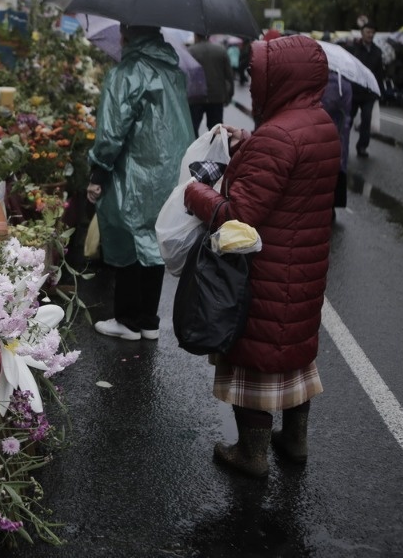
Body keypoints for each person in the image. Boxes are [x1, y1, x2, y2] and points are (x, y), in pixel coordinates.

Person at [183, 35, 341, 479]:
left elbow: (239, 215)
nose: (253, 84)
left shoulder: (278, 136)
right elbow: (288, 164)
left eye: (259, 76)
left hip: (267, 270)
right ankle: (295, 440)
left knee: (257, 356)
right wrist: (250, 142)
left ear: (282, 78)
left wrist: (194, 193)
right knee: (291, 351)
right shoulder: (319, 124)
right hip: (303, 269)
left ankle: (251, 454)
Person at [87, 24, 195, 341]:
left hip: (134, 169)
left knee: (129, 238)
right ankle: (148, 320)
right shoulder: (173, 70)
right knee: (153, 238)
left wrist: (98, 172)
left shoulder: (127, 72)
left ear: (126, 34)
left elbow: (111, 131)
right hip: (169, 168)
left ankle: (128, 320)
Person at [187, 33, 235, 136]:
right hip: (216, 97)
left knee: (192, 129)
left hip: (195, 96)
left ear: (196, 36)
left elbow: (184, 75)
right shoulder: (221, 50)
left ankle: (196, 146)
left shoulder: (190, 51)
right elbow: (229, 76)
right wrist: (229, 95)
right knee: (216, 131)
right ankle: (215, 146)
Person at [349, 23, 385, 157]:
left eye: (372, 32)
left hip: (369, 92)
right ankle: (342, 144)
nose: (370, 35)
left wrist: (380, 91)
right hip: (354, 90)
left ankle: (362, 146)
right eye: (367, 32)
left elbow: (379, 73)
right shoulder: (354, 48)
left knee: (366, 120)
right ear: (362, 33)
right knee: (348, 119)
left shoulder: (377, 51)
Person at [322, 70, 353, 215]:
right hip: (340, 132)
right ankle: (332, 205)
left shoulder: (321, 81)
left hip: (322, 130)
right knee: (337, 167)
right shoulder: (345, 85)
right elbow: (347, 110)